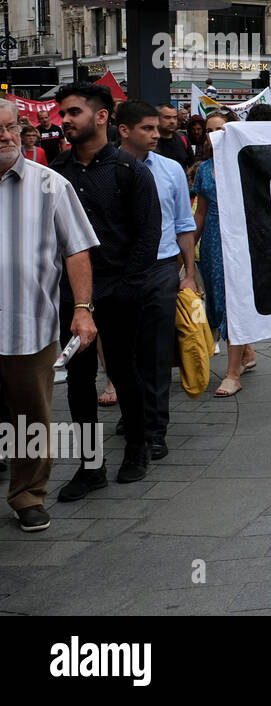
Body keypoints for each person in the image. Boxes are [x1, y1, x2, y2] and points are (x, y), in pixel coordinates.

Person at [49, 82, 161, 499]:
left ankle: (137, 449)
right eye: (62, 113)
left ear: (101, 118)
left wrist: (128, 289)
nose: (65, 120)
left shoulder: (130, 171)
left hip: (120, 294)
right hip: (70, 297)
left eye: (73, 112)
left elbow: (148, 235)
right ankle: (90, 466)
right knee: (78, 382)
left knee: (125, 373)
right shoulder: (56, 173)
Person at [0, 100, 100, 532]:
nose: (5, 135)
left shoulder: (49, 184)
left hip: (29, 325)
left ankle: (27, 495)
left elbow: (76, 248)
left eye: (11, 126)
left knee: (29, 417)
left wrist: (82, 309)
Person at [114, 101, 198, 461]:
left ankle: (155, 428)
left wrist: (189, 275)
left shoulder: (170, 170)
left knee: (157, 351)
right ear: (124, 130)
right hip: (116, 271)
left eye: (157, 128)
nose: (157, 134)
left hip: (162, 267)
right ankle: (132, 416)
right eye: (147, 128)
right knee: (122, 351)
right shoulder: (106, 169)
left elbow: (184, 223)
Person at [193, 108, 258, 397]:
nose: (211, 135)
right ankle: (246, 352)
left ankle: (233, 374)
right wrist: (184, 255)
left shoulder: (245, 163)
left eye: (218, 129)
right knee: (218, 301)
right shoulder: (205, 169)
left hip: (241, 239)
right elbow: (200, 213)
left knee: (235, 303)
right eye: (208, 129)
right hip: (211, 242)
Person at [153, 103, 190, 168]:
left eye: (175, 117)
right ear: (157, 119)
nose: (172, 121)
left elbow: (191, 165)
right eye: (167, 117)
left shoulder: (183, 139)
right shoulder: (151, 141)